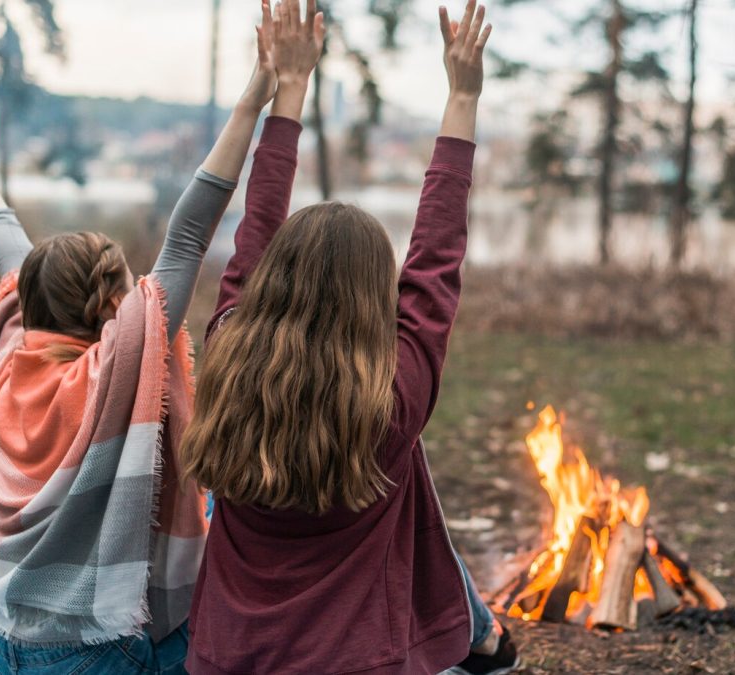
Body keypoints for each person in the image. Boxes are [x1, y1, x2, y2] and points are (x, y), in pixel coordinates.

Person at [0, 4, 283, 672]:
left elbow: (10, 249)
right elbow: (191, 231)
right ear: (113, 309)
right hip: (96, 651)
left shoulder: (8, 351)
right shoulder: (116, 371)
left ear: (26, 302)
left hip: (5, 639)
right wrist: (256, 97)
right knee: (231, 585)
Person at [179, 1, 519, 673]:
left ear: (272, 280)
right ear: (375, 302)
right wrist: (463, 98)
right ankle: (473, 629)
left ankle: (473, 624)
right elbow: (436, 259)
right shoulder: (390, 406)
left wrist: (292, 88)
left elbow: (256, 226)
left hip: (224, 659)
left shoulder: (224, 351)